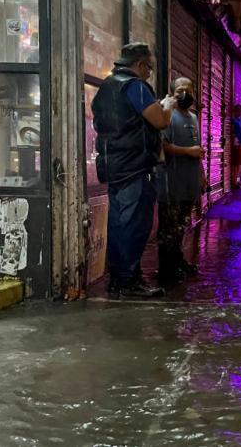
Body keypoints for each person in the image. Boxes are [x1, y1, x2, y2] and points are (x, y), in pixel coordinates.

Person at [92, 42, 176, 299]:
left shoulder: (107, 86)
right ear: (139, 65)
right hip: (134, 167)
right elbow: (159, 120)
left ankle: (120, 279)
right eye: (149, 68)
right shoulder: (135, 86)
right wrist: (168, 104)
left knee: (119, 224)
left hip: (114, 166)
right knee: (135, 226)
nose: (149, 73)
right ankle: (128, 281)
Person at [156, 77, 205, 284]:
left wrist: (201, 176)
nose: (184, 93)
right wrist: (188, 152)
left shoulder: (193, 117)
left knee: (182, 226)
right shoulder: (167, 116)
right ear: (172, 93)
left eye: (188, 88)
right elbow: (162, 146)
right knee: (169, 229)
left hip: (189, 184)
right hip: (171, 184)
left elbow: (198, 150)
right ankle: (167, 270)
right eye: (179, 90)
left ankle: (178, 262)